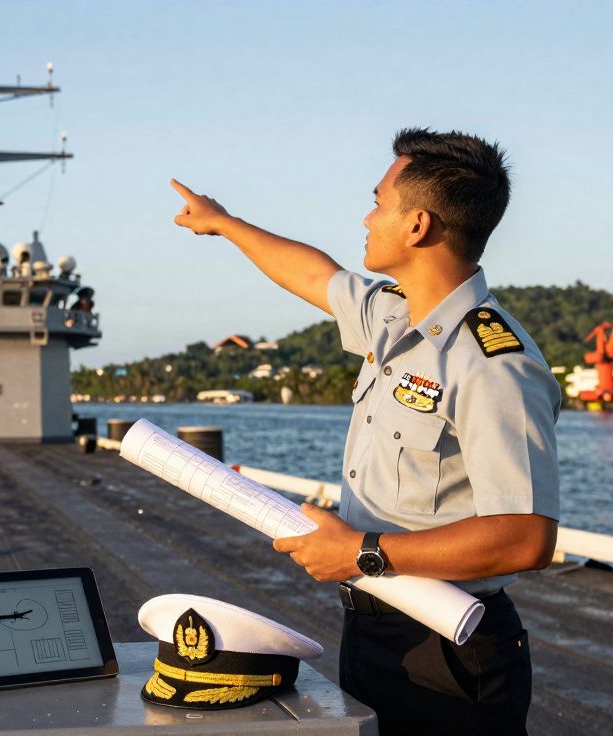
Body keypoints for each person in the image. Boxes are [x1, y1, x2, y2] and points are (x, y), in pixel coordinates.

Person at [169, 128, 560, 735]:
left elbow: (526, 537)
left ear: (417, 226)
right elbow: (312, 273)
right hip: (374, 624)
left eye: (379, 202)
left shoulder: (493, 363)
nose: (366, 216)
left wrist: (361, 553)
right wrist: (223, 223)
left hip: (450, 649)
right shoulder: (393, 317)